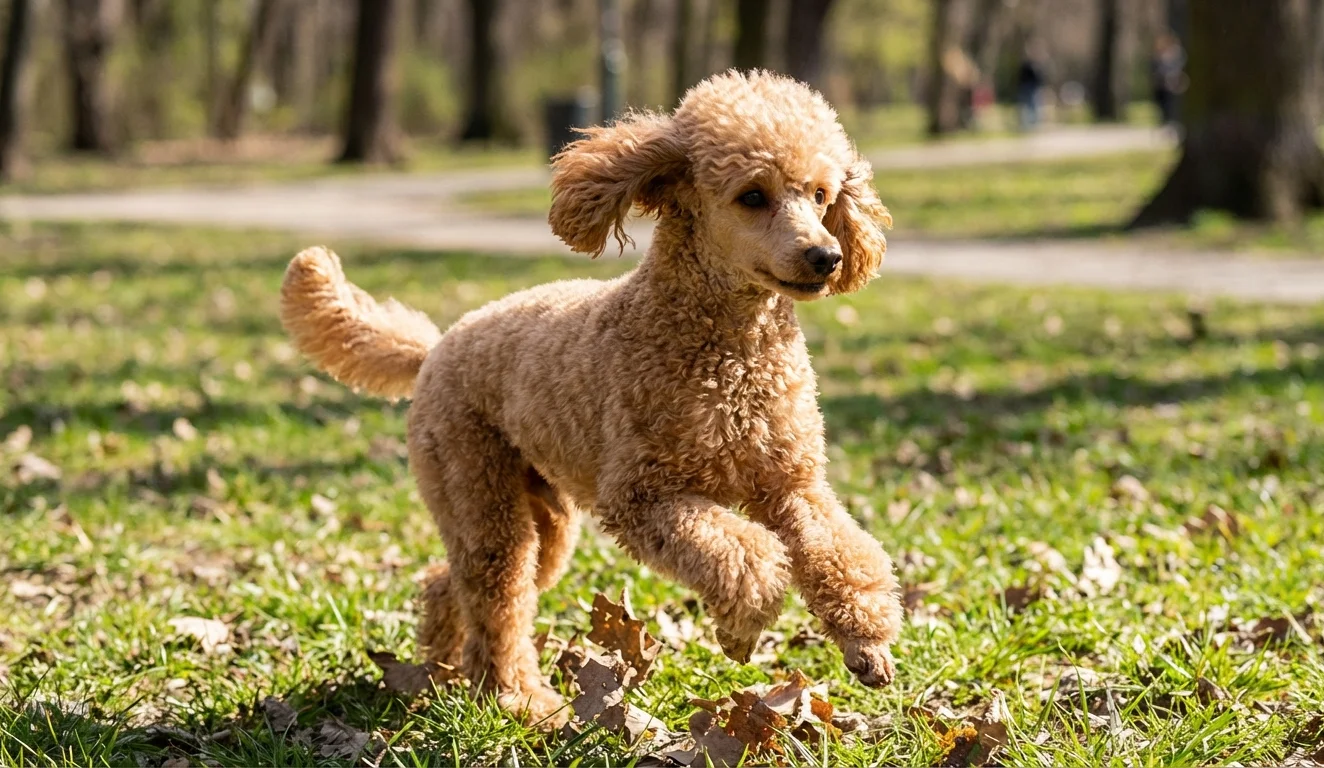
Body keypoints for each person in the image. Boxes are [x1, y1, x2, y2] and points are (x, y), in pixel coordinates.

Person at [1151, 31, 1186, 126]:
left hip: (1173, 83)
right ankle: (1165, 120)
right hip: (1161, 84)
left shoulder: (1176, 52)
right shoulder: (1159, 53)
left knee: (1171, 103)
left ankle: (1172, 121)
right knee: (1162, 103)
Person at [1016, 42, 1046, 130]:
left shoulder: (1038, 65)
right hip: (1026, 87)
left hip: (1034, 88)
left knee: (1034, 105)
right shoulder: (1026, 65)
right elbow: (1021, 76)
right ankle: (1026, 124)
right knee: (1026, 105)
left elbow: (1040, 78)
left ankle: (1033, 123)